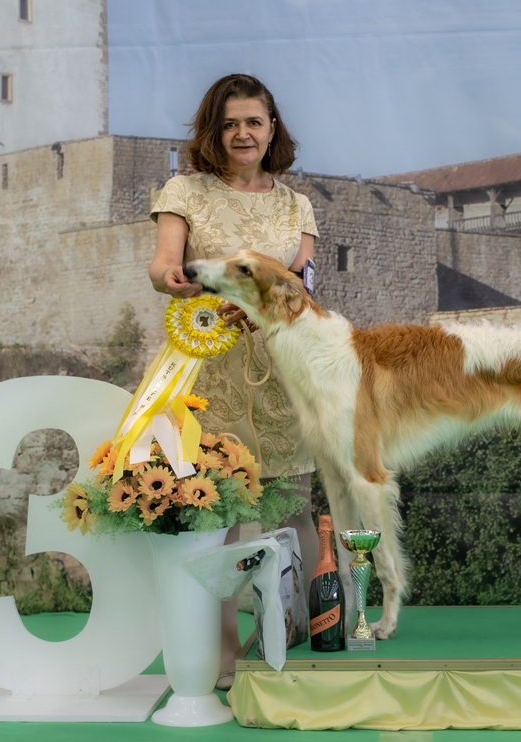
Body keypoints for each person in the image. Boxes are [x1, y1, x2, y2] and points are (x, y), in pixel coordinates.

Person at [148, 74, 319, 690]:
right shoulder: (184, 190)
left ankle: (287, 644)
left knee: (291, 511)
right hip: (204, 367)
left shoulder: (297, 205)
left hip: (280, 371)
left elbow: (299, 283)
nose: (243, 133)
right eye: (230, 123)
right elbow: (163, 263)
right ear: (213, 132)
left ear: (273, 128)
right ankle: (220, 658)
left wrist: (269, 304)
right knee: (211, 516)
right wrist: (175, 279)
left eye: (254, 121)